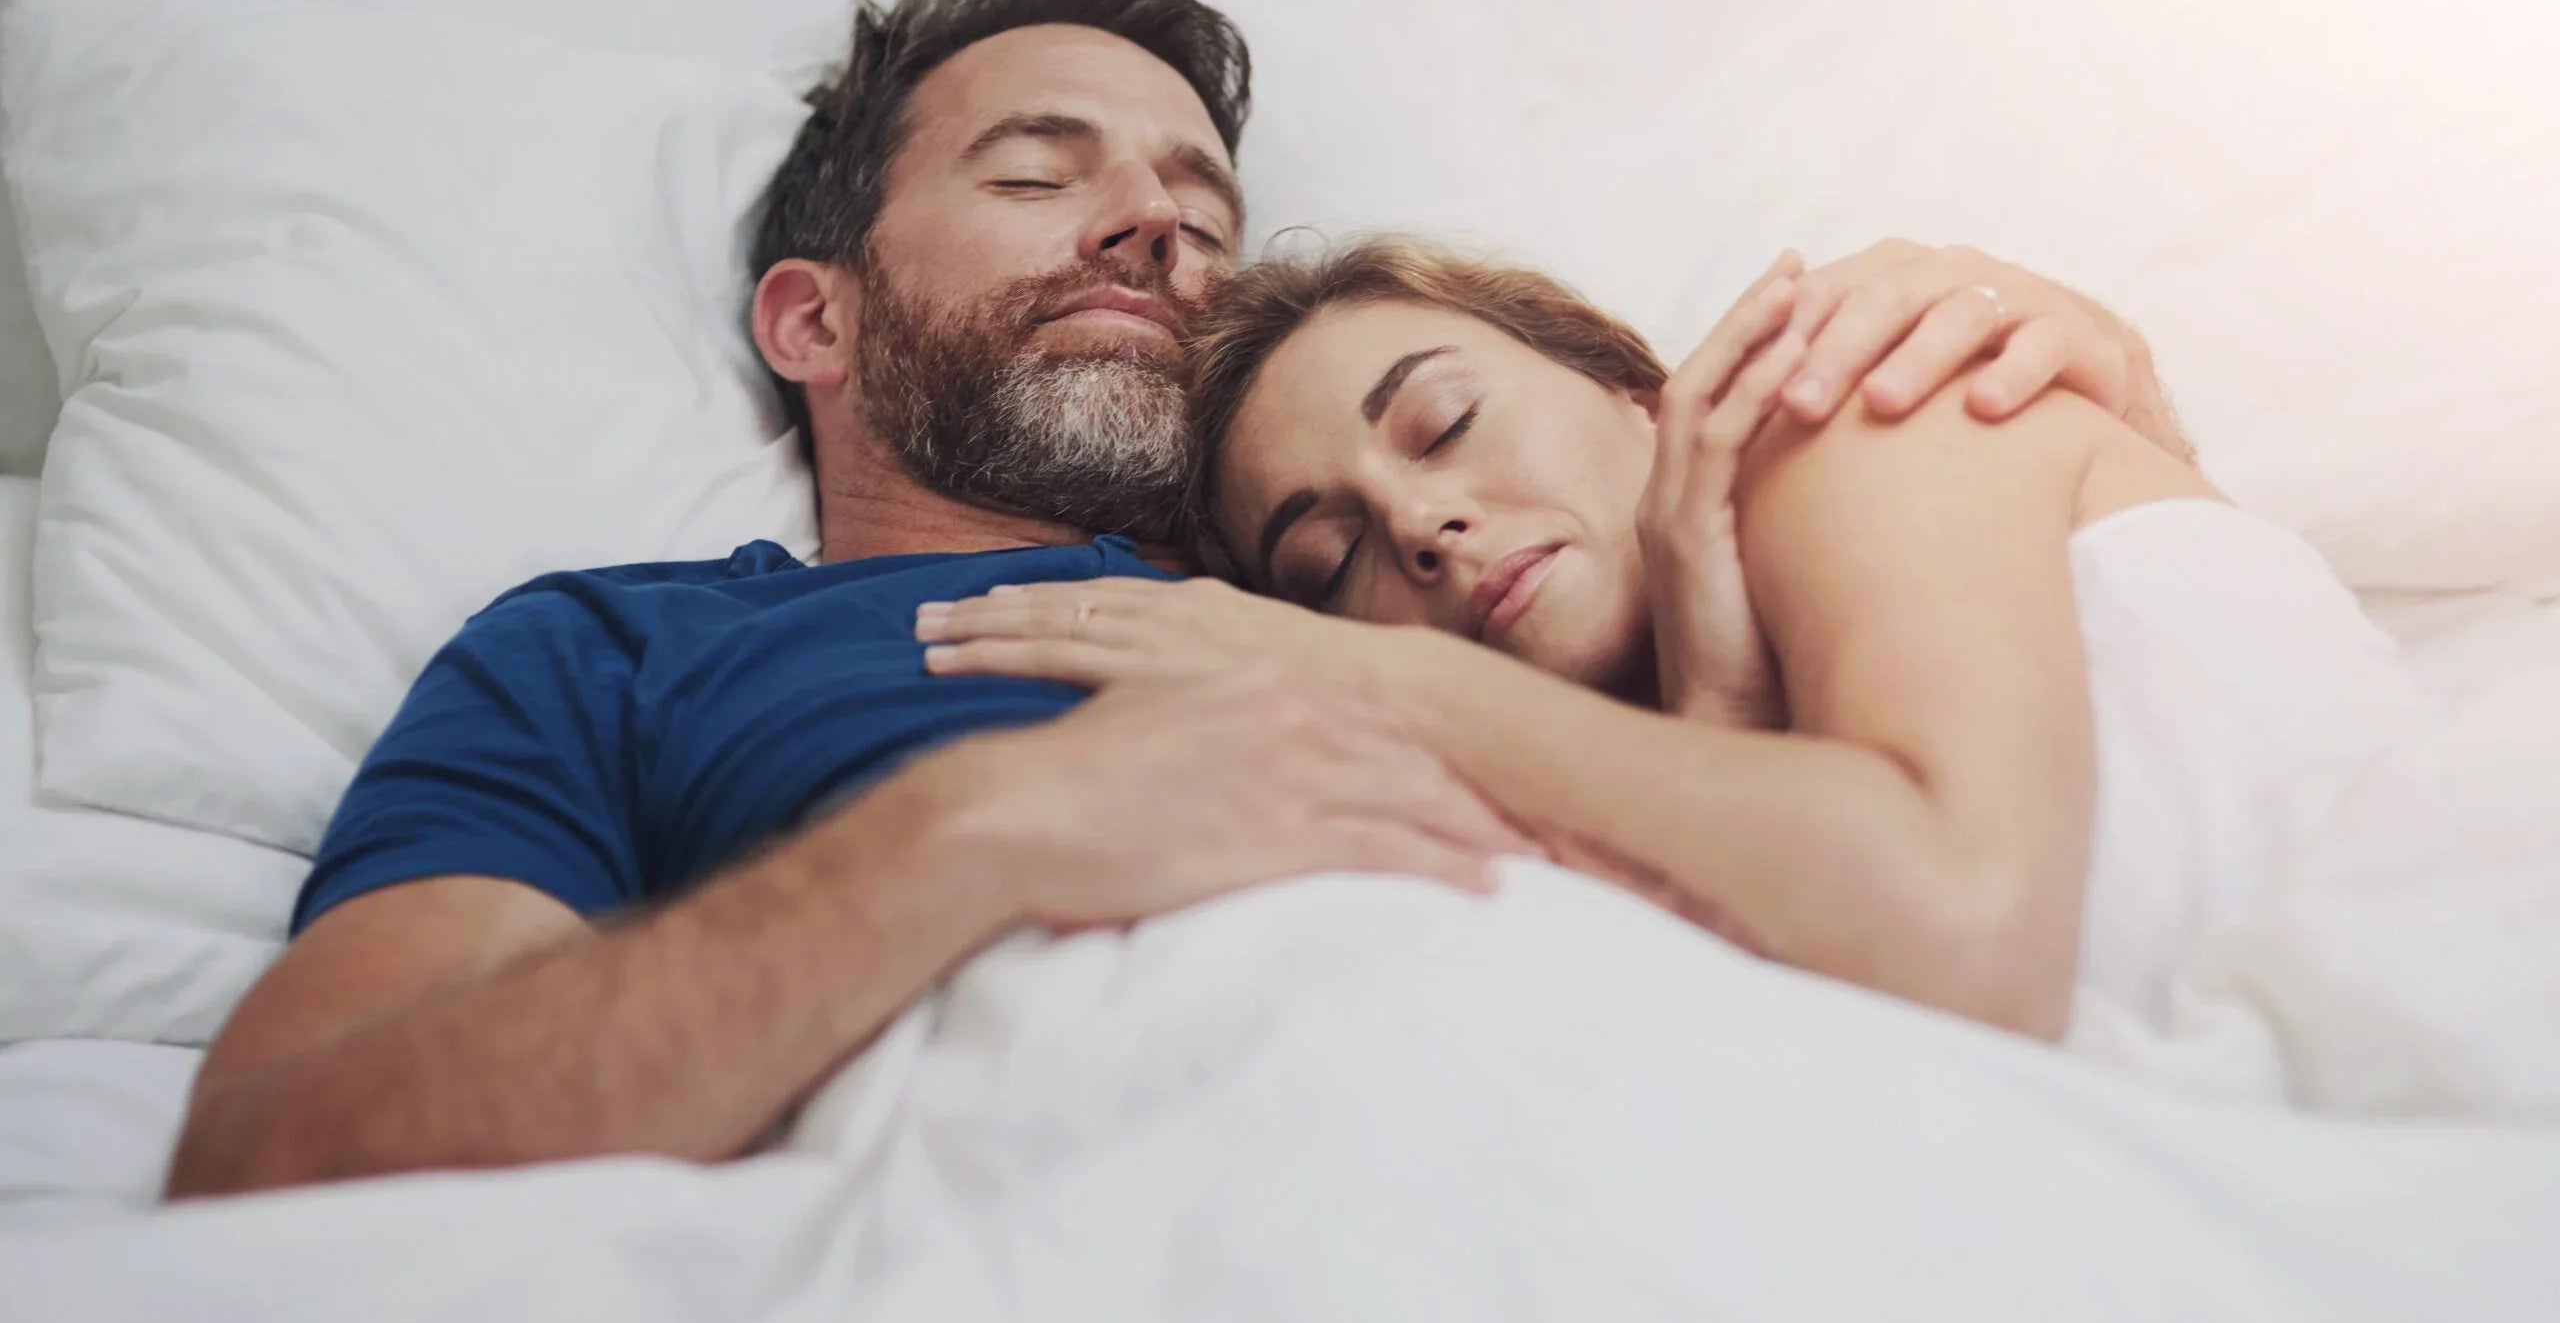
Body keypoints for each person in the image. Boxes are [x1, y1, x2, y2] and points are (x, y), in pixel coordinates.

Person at [167, 0, 2180, 1200]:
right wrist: (965, 836)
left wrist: (2078, 393)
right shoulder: (616, 648)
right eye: (1040, 176)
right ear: (814, 319)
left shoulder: (1413, 547)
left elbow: (1923, 730)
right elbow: (275, 1149)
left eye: (1195, 201)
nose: (1149, 225)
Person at [915, 237, 2428, 1046]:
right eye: (1330, 562)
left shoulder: (1840, 413)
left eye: (1443, 422)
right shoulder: (1627, 808)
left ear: (1631, 388)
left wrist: (1382, 668)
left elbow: (1963, 930)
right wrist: (1706, 705)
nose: (1424, 528)